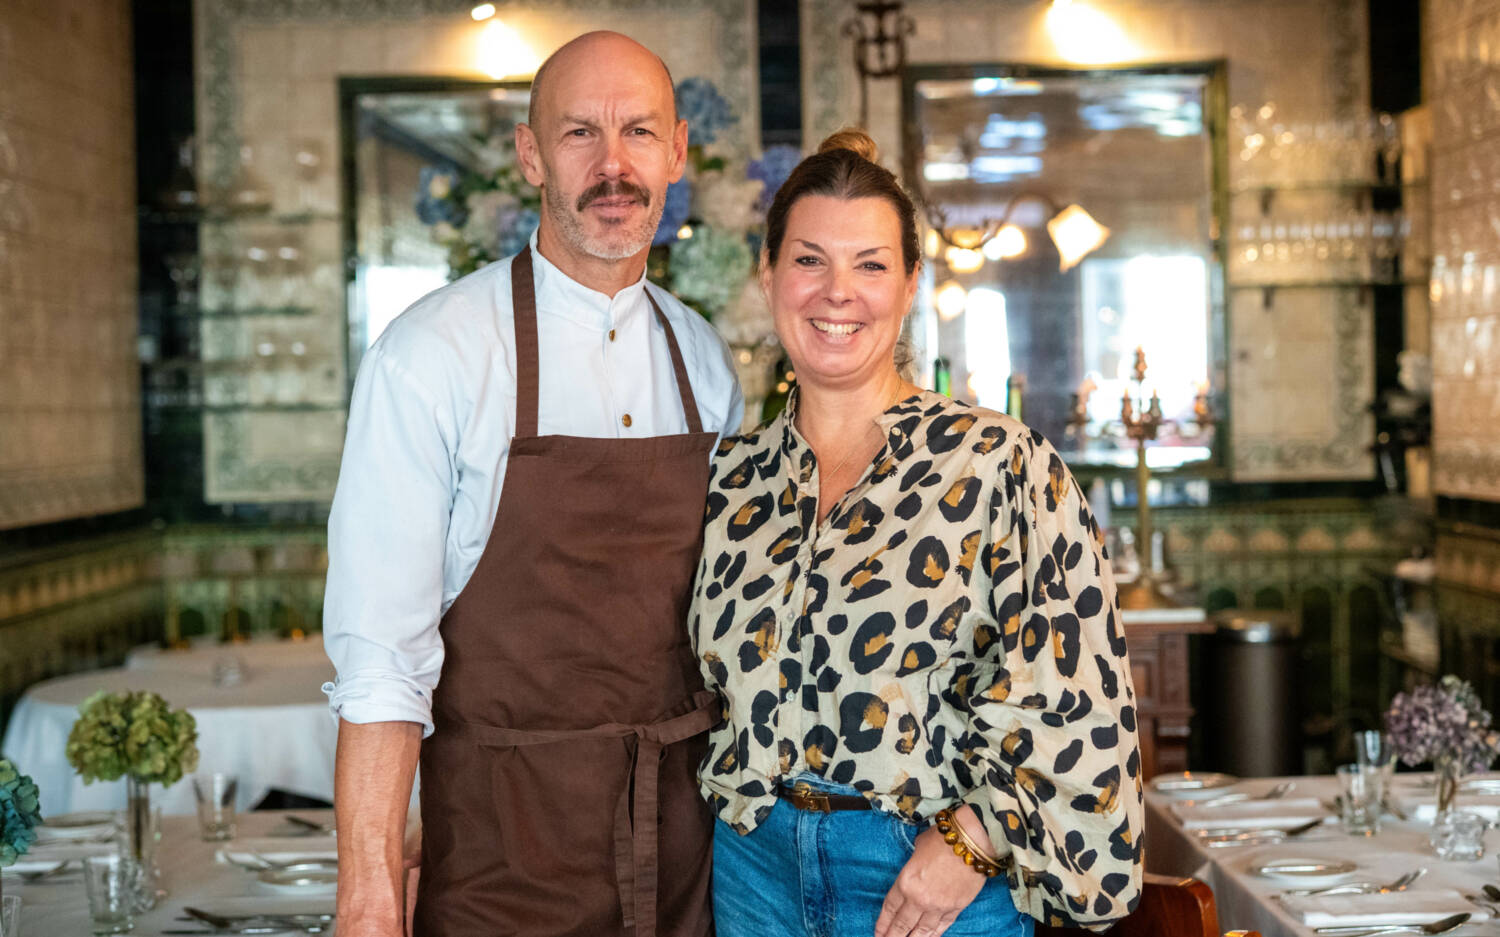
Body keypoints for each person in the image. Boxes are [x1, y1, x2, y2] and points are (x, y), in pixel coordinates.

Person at [322, 31, 743, 937]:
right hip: (497, 866)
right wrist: (367, 899)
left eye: (637, 132)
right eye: (579, 133)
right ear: (529, 155)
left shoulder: (702, 360)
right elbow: (381, 664)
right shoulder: (432, 355)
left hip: (680, 865)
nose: (613, 165)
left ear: (677, 151)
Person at [689, 128, 1144, 937]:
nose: (838, 292)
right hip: (753, 871)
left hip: (928, 874)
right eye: (809, 260)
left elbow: (1079, 703)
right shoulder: (730, 478)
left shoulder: (1001, 465)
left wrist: (970, 842)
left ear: (909, 286)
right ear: (768, 276)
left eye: (870, 264)